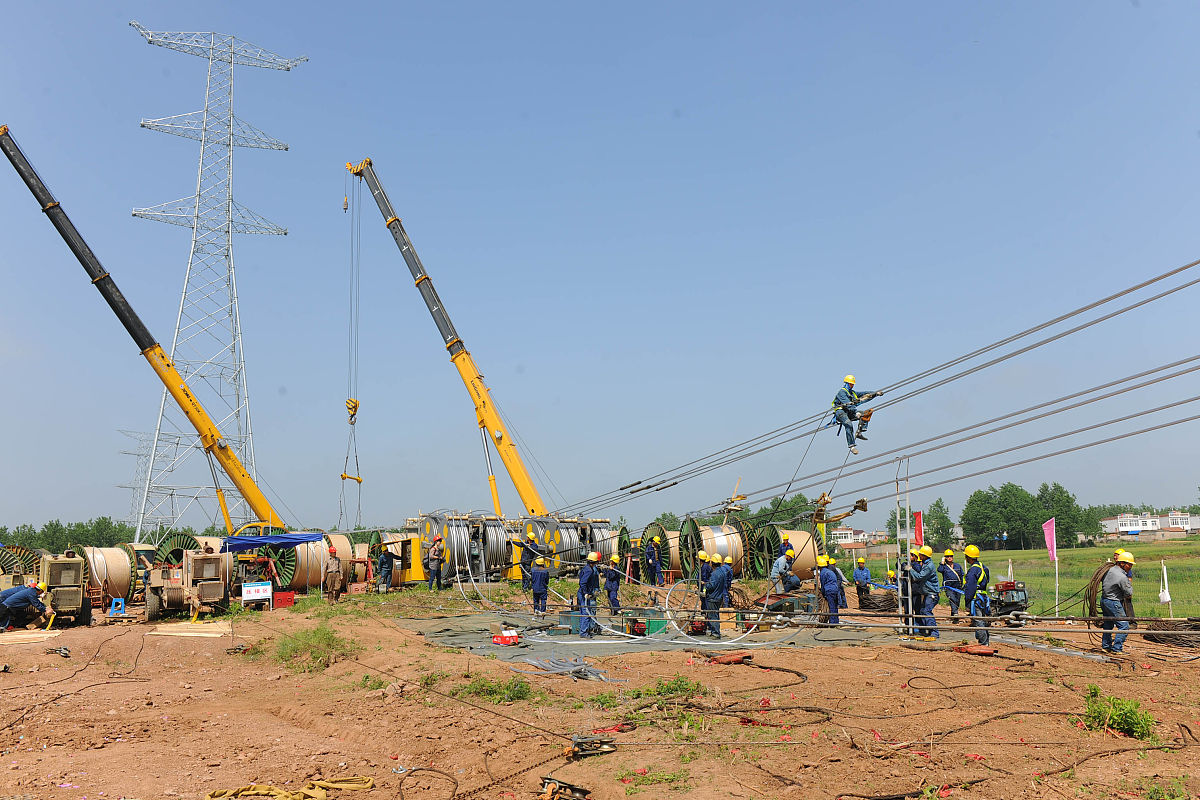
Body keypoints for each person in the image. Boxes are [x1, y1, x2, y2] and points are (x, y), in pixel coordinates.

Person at [832, 374, 883, 455]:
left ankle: (860, 431)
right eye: (851, 384)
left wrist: (875, 393)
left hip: (849, 412)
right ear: (847, 383)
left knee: (866, 413)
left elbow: (864, 394)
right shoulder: (842, 392)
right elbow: (848, 404)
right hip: (840, 412)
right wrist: (855, 412)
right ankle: (852, 446)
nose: (852, 385)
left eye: (853, 384)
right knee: (848, 424)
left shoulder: (852, 393)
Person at [1101, 552, 1135, 653]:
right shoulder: (1122, 577)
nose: (1130, 567)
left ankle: (1106, 646)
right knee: (1124, 626)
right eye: (1129, 565)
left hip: (1104, 600)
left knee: (1108, 624)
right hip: (1113, 602)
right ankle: (1117, 648)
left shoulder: (1109, 570)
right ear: (1122, 563)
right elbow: (1129, 593)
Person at [962, 545, 991, 646]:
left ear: (968, 557)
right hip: (983, 597)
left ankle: (983, 643)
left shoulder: (973, 570)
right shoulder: (983, 567)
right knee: (983, 620)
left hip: (976, 599)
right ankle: (986, 641)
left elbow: (970, 588)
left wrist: (967, 602)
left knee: (978, 621)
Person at [910, 545, 940, 638]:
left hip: (932, 594)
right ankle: (927, 630)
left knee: (926, 611)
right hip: (928, 593)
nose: (919, 556)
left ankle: (934, 632)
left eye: (921, 554)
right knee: (923, 611)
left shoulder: (929, 566)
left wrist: (910, 569)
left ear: (925, 555)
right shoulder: (925, 564)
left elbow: (919, 577)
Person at [937, 550, 965, 621]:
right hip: (949, 587)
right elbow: (939, 570)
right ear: (945, 557)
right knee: (952, 599)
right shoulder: (944, 566)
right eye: (947, 556)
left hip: (958, 586)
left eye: (951, 556)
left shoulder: (957, 566)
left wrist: (962, 584)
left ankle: (954, 616)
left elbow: (962, 575)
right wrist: (942, 562)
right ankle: (955, 614)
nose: (949, 558)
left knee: (957, 601)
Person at [578, 552, 601, 638]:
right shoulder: (589, 570)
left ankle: (583, 630)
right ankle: (583, 632)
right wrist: (586, 592)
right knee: (586, 613)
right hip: (584, 594)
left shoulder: (586, 568)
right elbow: (583, 582)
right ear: (595, 562)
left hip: (581, 593)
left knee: (583, 613)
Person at [702, 557, 725, 638]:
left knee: (713, 616)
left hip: (713, 597)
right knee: (716, 615)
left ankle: (715, 633)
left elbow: (712, 586)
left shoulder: (714, 574)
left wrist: (706, 584)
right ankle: (716, 631)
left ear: (713, 563)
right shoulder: (722, 572)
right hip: (719, 597)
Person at [817, 556, 841, 625]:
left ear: (820, 567)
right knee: (835, 607)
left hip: (829, 591)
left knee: (831, 607)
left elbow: (823, 584)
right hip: (835, 590)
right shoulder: (830, 571)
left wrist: (823, 593)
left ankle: (832, 623)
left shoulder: (823, 573)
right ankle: (836, 622)